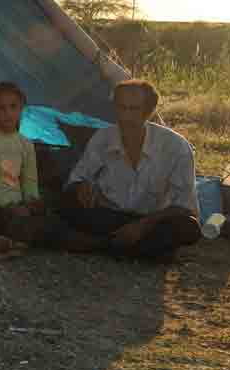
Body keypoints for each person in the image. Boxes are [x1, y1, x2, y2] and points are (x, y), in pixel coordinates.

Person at [61, 79, 201, 261]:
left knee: (188, 228)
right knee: (66, 203)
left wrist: (143, 225)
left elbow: (185, 205)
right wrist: (82, 187)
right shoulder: (103, 138)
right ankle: (139, 250)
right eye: (121, 108)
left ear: (149, 112)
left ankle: (100, 245)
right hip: (109, 216)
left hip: (152, 221)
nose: (126, 117)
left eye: (134, 109)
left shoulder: (175, 147)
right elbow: (77, 179)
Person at [0, 82, 101, 253]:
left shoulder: (25, 143)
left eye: (13, 107)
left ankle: (91, 236)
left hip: (19, 201)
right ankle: (84, 242)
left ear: (21, 109)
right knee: (29, 224)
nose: (8, 113)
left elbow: (30, 181)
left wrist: (33, 201)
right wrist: (10, 204)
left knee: (59, 202)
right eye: (1, 108)